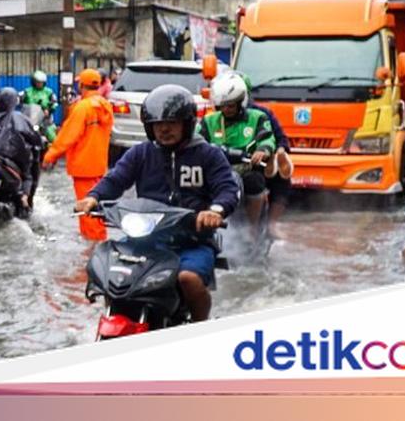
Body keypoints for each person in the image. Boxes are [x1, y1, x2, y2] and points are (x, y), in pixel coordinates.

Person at [75, 84, 241, 321]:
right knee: (112, 272)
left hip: (192, 241)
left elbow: (227, 188)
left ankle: (200, 326)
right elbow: (116, 179)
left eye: (172, 123)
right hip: (145, 239)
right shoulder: (140, 153)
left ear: (187, 124)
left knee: (189, 279)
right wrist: (93, 197)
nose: (164, 129)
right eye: (158, 124)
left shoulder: (208, 155)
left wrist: (214, 211)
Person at [199, 72, 276, 244]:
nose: (226, 110)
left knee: (255, 182)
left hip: (246, 168)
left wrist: (262, 150)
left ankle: (252, 229)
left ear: (241, 102)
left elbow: (267, 138)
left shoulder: (257, 118)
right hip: (216, 170)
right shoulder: (209, 121)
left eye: (231, 106)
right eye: (222, 106)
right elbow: (197, 140)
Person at [42, 69, 113, 235]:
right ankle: (97, 239)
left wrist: (50, 156)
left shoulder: (82, 108)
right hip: (98, 165)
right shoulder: (105, 106)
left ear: (82, 85)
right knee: (95, 206)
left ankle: (93, 244)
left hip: (83, 166)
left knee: (86, 210)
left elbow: (68, 136)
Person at [240, 72, 293, 240]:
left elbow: (279, 139)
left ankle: (269, 225)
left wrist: (278, 151)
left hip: (255, 162)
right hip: (224, 163)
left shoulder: (262, 115)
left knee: (280, 178)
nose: (228, 108)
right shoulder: (213, 119)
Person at [0, 87, 43, 212]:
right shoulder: (19, 118)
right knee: (28, 175)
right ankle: (25, 198)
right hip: (9, 160)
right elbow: (34, 138)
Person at [20, 70, 59, 141]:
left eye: (41, 82)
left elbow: (55, 102)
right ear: (33, 82)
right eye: (37, 82)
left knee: (51, 135)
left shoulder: (49, 92)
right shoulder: (27, 91)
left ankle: (55, 146)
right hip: (31, 119)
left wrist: (49, 110)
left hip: (45, 119)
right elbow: (18, 98)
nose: (39, 84)